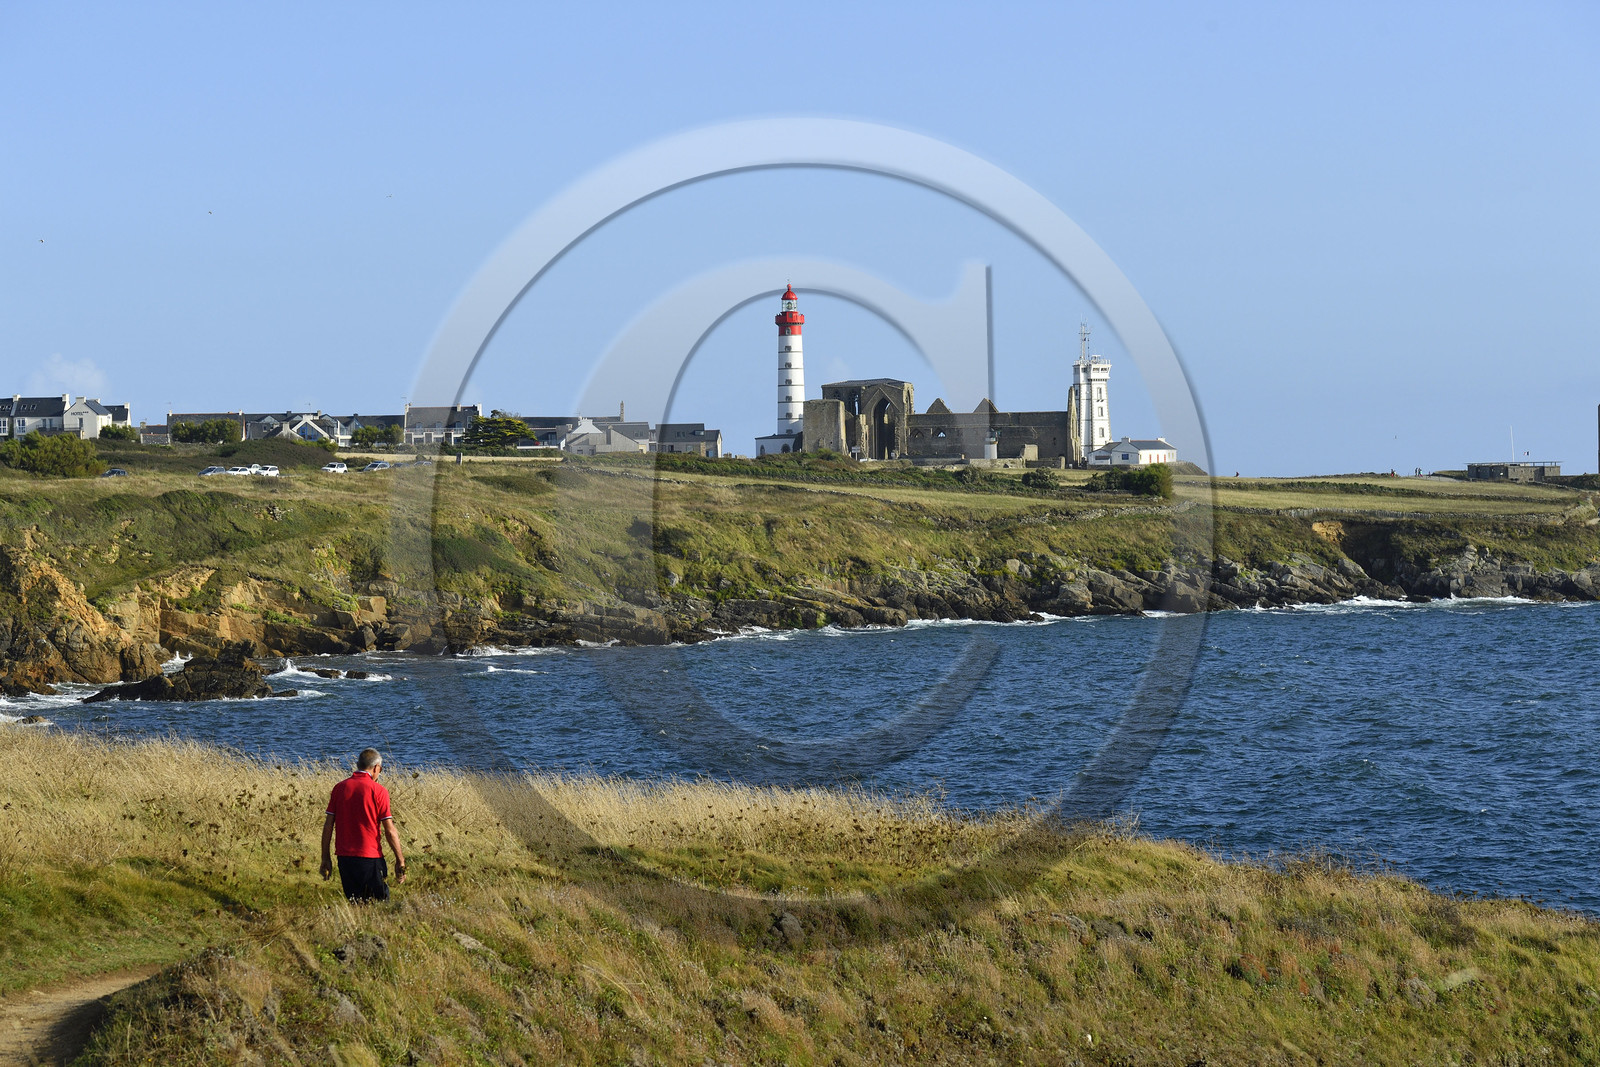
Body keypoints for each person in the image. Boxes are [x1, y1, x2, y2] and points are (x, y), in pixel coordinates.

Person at [320, 747, 406, 901]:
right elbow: (390, 831)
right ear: (376, 768)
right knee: (380, 904)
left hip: (344, 858)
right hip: (370, 857)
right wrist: (400, 860)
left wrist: (325, 857)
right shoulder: (379, 791)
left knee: (355, 902)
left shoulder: (339, 788)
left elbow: (328, 826)